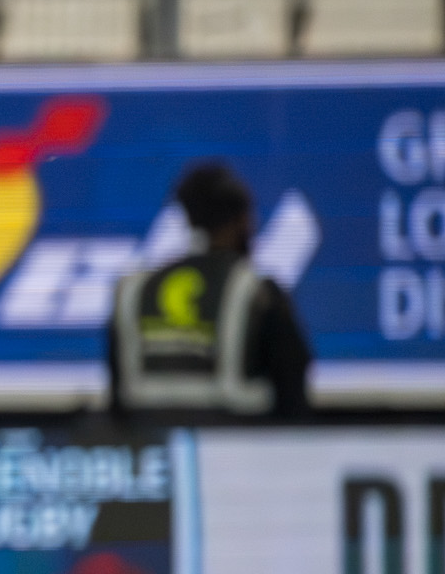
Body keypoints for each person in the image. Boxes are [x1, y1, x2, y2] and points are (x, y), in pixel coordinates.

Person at [109, 162, 311, 418]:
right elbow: (294, 394)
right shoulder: (258, 294)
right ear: (242, 220)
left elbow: (117, 399)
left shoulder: (133, 291)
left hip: (154, 450)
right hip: (243, 447)